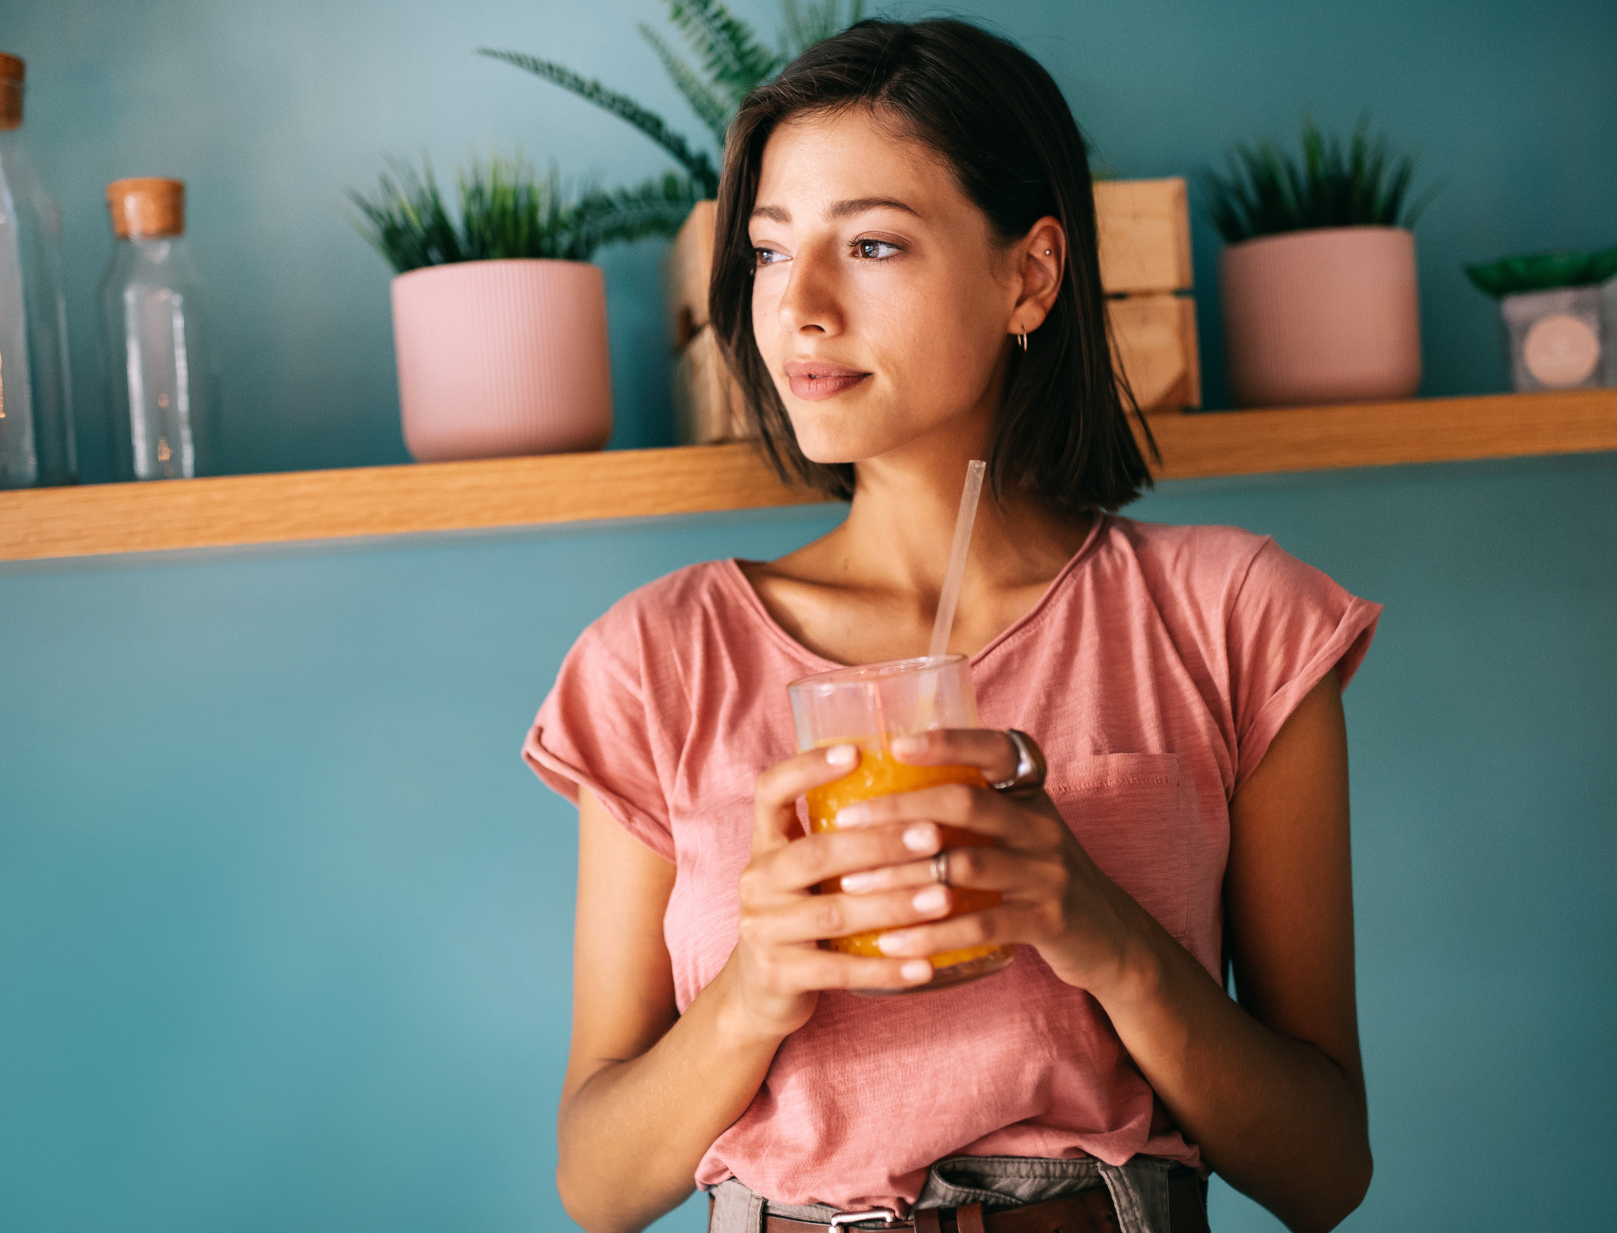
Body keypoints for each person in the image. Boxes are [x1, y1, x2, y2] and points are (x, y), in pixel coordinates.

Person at [524, 19, 1378, 1233]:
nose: (801, 309)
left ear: (1029, 274)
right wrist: (755, 990)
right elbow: (596, 1187)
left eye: (870, 243)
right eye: (769, 253)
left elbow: (1324, 1170)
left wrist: (1099, 931)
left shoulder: (1233, 618)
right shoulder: (653, 660)